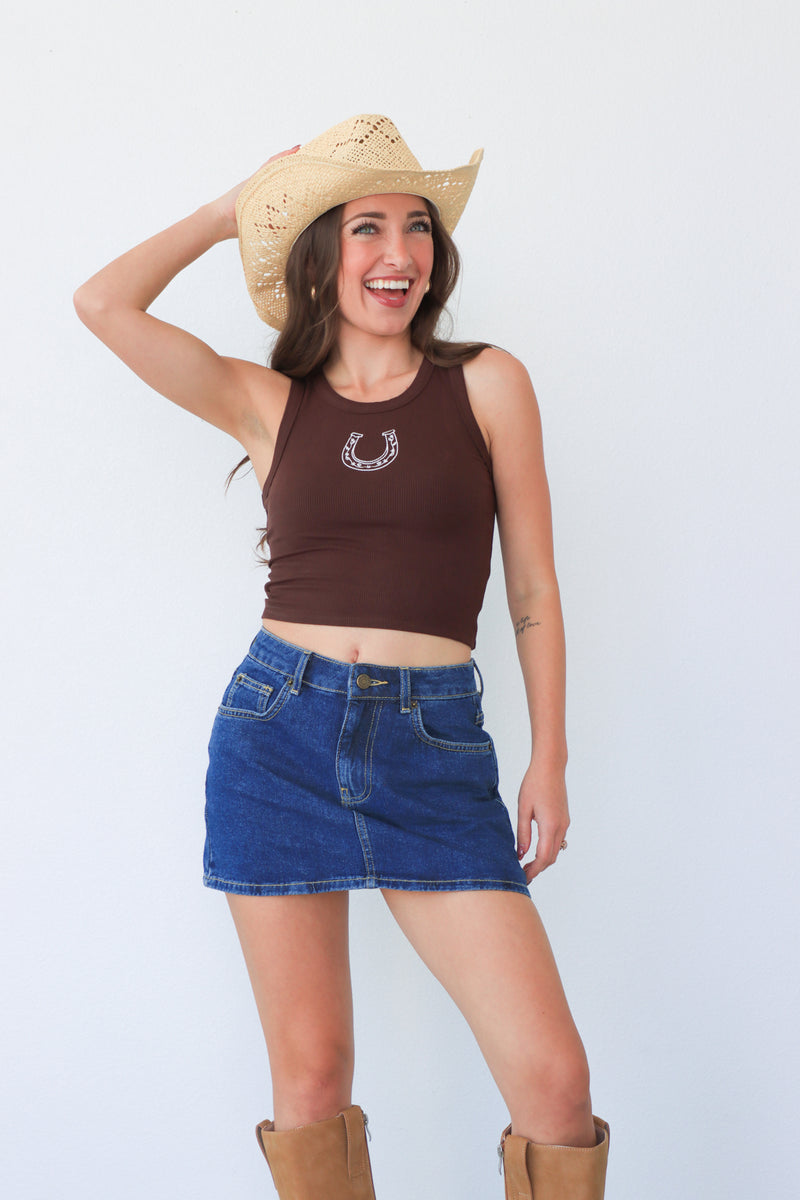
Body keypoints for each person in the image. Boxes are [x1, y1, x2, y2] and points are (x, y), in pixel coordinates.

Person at [74, 113, 610, 1200]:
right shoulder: (269, 404)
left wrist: (549, 757)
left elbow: (533, 589)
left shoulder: (487, 383)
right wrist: (230, 213)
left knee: (554, 1086)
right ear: (320, 258)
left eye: (416, 229)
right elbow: (103, 304)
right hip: (277, 736)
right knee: (312, 1078)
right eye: (366, 227)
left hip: (433, 746)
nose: (398, 252)